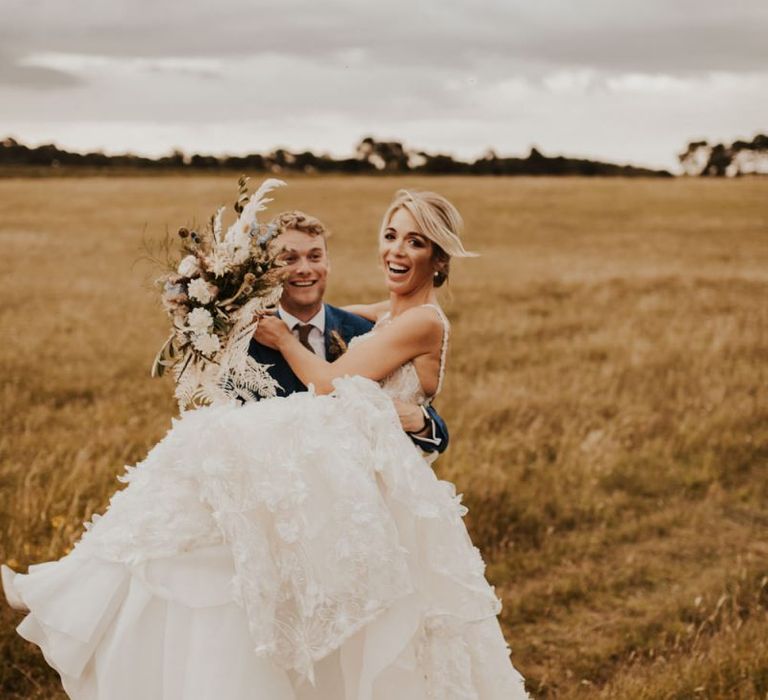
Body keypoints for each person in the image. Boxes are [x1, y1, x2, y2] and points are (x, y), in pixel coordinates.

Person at [2, 189, 528, 699]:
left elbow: (338, 387)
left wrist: (289, 344)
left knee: (208, 448)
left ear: (438, 258)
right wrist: (219, 298)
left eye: (414, 242)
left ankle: (59, 587)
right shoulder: (376, 317)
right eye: (390, 235)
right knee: (189, 511)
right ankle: (72, 588)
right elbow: (351, 335)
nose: (396, 250)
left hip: (356, 493)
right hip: (303, 495)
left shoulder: (414, 321)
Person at [249, 210, 449, 456]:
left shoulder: (364, 330)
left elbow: (420, 409)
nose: (305, 269)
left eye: (315, 256)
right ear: (266, 270)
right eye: (289, 259)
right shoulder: (247, 342)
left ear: (328, 263)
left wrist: (423, 423)